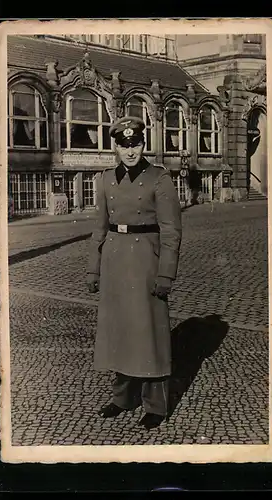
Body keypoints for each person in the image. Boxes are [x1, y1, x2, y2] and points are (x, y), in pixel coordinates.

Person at [87, 116, 182, 430]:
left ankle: (155, 405)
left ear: (144, 144)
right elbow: (99, 228)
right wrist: (94, 269)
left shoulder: (160, 178)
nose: (130, 151)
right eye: (124, 145)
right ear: (115, 146)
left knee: (149, 333)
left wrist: (166, 274)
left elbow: (171, 231)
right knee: (121, 332)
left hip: (145, 261)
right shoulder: (105, 179)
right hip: (115, 260)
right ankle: (122, 399)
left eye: (136, 144)